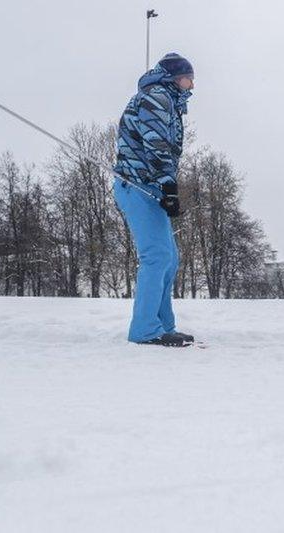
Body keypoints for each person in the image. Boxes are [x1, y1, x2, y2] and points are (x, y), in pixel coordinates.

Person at [113, 53, 195, 347]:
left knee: (170, 258)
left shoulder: (168, 101)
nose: (192, 85)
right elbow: (156, 142)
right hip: (135, 185)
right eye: (188, 77)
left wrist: (164, 187)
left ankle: (162, 324)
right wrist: (168, 184)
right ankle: (145, 330)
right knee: (157, 256)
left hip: (148, 187)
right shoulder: (156, 97)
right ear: (174, 77)